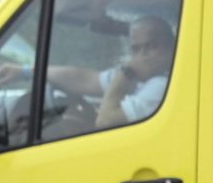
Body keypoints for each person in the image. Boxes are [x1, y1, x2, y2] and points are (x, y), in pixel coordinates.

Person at [45, 13, 176, 133]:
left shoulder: (164, 85)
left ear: (171, 47)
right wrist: (31, 73)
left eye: (152, 46)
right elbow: (86, 80)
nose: (142, 55)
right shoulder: (138, 73)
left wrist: (127, 73)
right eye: (136, 49)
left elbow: (105, 122)